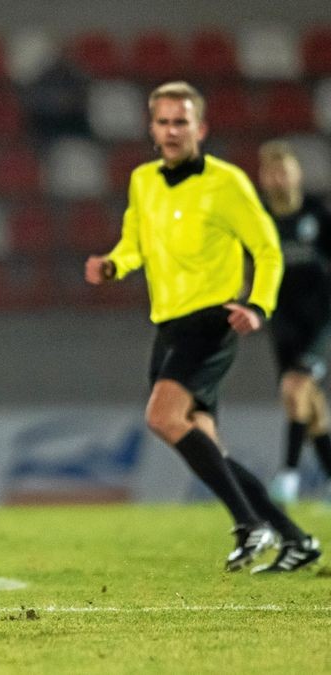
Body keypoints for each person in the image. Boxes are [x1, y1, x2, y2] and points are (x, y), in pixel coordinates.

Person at [84, 81, 321, 573]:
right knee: (210, 449)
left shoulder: (227, 182)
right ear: (152, 128)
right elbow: (135, 244)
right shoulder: (143, 181)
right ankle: (296, 539)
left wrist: (258, 305)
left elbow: (268, 249)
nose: (172, 131)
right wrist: (113, 264)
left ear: (201, 128)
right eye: (164, 122)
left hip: (213, 320)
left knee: (162, 416)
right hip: (168, 325)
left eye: (181, 122)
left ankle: (249, 525)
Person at [256, 140, 331, 507]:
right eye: (271, 171)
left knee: (296, 388)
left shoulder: (318, 214)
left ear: (298, 174)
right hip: (284, 323)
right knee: (310, 404)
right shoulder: (259, 219)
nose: (278, 178)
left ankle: (287, 476)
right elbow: (244, 263)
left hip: (323, 323)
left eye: (284, 170)